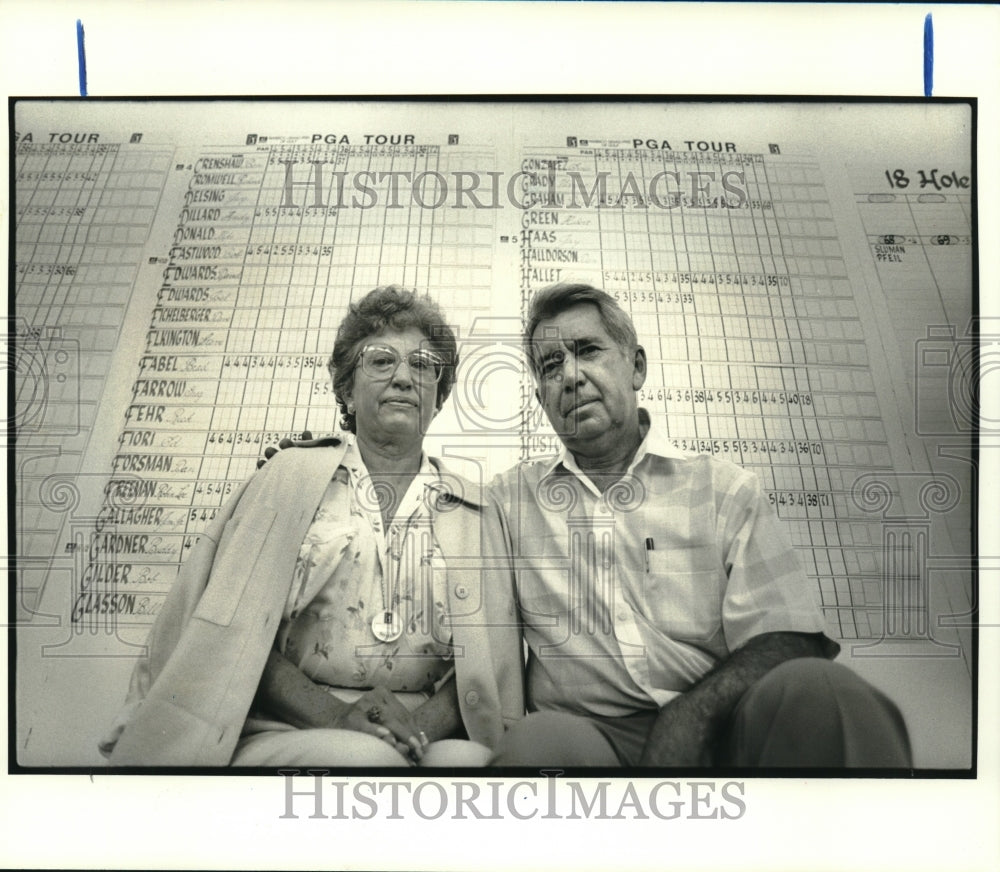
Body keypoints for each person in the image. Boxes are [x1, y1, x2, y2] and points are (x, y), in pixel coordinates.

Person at [488, 282, 911, 767]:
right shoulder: (508, 503)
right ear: (541, 398)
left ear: (637, 367)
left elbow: (789, 636)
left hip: (726, 720)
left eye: (588, 351)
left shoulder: (724, 489)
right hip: (589, 737)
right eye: (550, 365)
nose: (571, 375)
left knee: (823, 689)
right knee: (534, 746)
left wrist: (693, 714)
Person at [100, 286, 524, 766]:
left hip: (422, 726)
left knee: (471, 767)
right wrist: (337, 717)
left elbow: (488, 656)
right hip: (284, 719)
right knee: (366, 760)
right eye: (382, 361)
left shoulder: (473, 506)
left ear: (440, 396)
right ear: (346, 387)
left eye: (424, 366)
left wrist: (412, 732)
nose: (404, 377)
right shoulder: (287, 478)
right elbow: (235, 634)